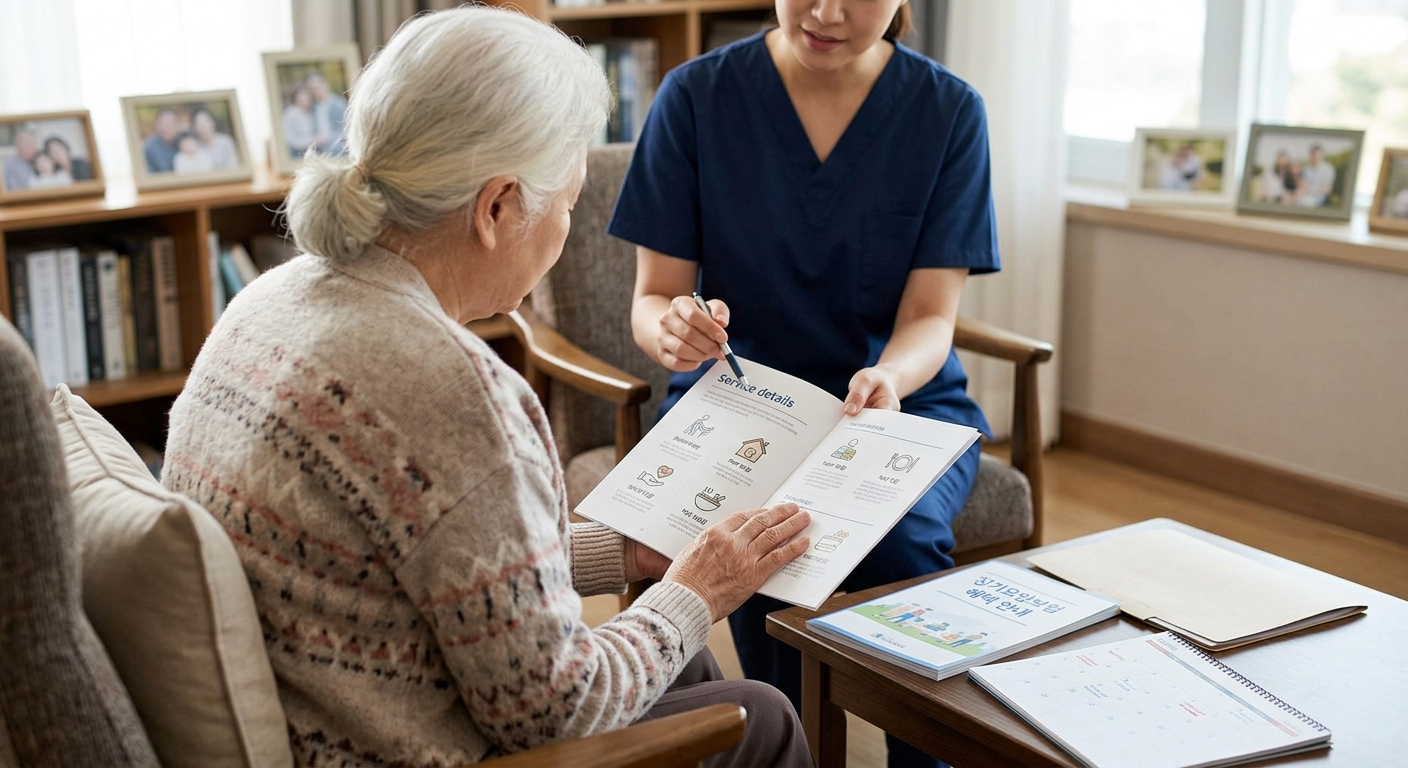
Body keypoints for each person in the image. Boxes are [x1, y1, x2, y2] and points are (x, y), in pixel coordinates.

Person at [160, 7, 814, 768]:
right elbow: (560, 710)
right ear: (499, 208)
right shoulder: (456, 394)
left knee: (689, 665)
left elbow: (437, 556)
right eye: (568, 203)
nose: (568, 227)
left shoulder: (271, 298)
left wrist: (626, 554)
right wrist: (701, 590)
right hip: (392, 744)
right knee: (759, 715)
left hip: (326, 697)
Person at [608, 1, 998, 766]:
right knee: (758, 543)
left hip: (897, 403)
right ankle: (790, 748)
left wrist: (888, 374)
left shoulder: (948, 112)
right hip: (741, 399)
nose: (824, 12)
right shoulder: (695, 97)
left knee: (905, 539)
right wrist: (671, 330)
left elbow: (930, 317)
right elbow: (655, 296)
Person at [307, 71, 349, 154]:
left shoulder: (337, 104)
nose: (314, 91)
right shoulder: (314, 107)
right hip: (320, 149)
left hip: (337, 149)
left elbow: (344, 130)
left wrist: (324, 138)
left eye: (316, 88)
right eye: (312, 89)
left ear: (325, 85)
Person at [282, 84, 318, 158]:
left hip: (313, 151)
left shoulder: (312, 112)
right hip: (296, 153)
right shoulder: (290, 114)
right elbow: (290, 139)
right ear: (296, 99)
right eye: (302, 98)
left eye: (307, 97)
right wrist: (310, 142)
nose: (305, 100)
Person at [143, 108, 181, 173]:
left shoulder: (184, 142)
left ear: (177, 126)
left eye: (170, 123)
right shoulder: (149, 148)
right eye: (163, 123)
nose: (167, 127)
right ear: (157, 125)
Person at [1298, 143, 1336, 208]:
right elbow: (1303, 186)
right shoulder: (1306, 170)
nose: (1316, 157)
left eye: (1318, 155)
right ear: (1310, 155)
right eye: (1314, 155)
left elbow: (1326, 189)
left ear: (1322, 155)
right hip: (1305, 196)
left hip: (1320, 198)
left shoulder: (1328, 169)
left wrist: (1311, 190)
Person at [3, 126, 38, 191]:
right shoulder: (10, 164)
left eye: (33, 143)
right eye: (27, 143)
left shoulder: (41, 159)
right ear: (18, 146)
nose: (31, 146)